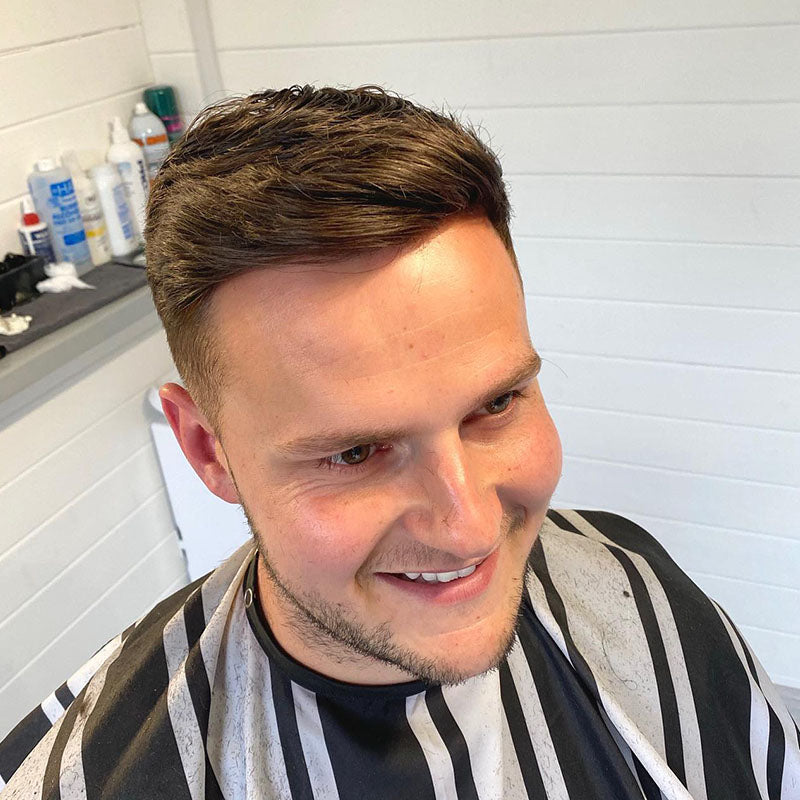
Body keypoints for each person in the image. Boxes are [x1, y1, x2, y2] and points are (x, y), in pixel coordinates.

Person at [1, 85, 797, 800]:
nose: (468, 529)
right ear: (209, 452)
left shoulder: (639, 592)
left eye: (496, 404)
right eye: (355, 453)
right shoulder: (83, 774)